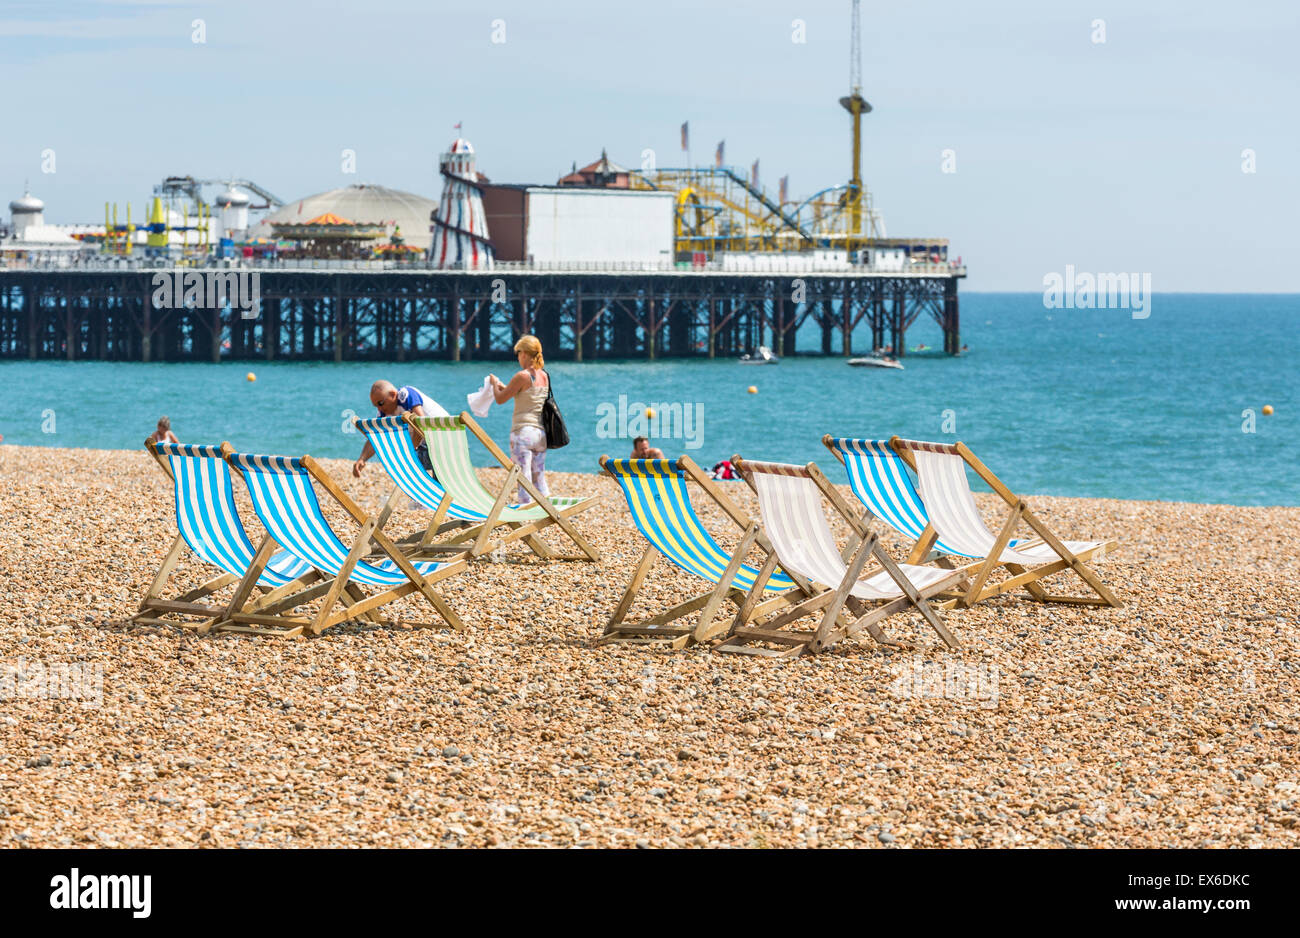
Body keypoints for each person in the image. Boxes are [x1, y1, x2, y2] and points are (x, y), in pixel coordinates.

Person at [489, 335, 550, 506]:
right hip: (540, 434)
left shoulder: (522, 375)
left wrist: (494, 384)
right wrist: (504, 387)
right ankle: (546, 508)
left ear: (524, 354)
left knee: (522, 477)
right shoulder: (544, 376)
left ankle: (525, 511)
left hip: (523, 433)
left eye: (518, 354)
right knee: (539, 476)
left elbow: (500, 399)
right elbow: (523, 394)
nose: (518, 358)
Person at [353, 379, 448, 478]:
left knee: (404, 462)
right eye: (376, 406)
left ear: (393, 394)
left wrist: (409, 452)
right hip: (428, 448)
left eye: (380, 403)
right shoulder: (385, 413)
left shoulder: (406, 395)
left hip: (444, 445)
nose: (379, 408)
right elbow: (375, 437)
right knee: (398, 463)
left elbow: (420, 424)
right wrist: (362, 459)